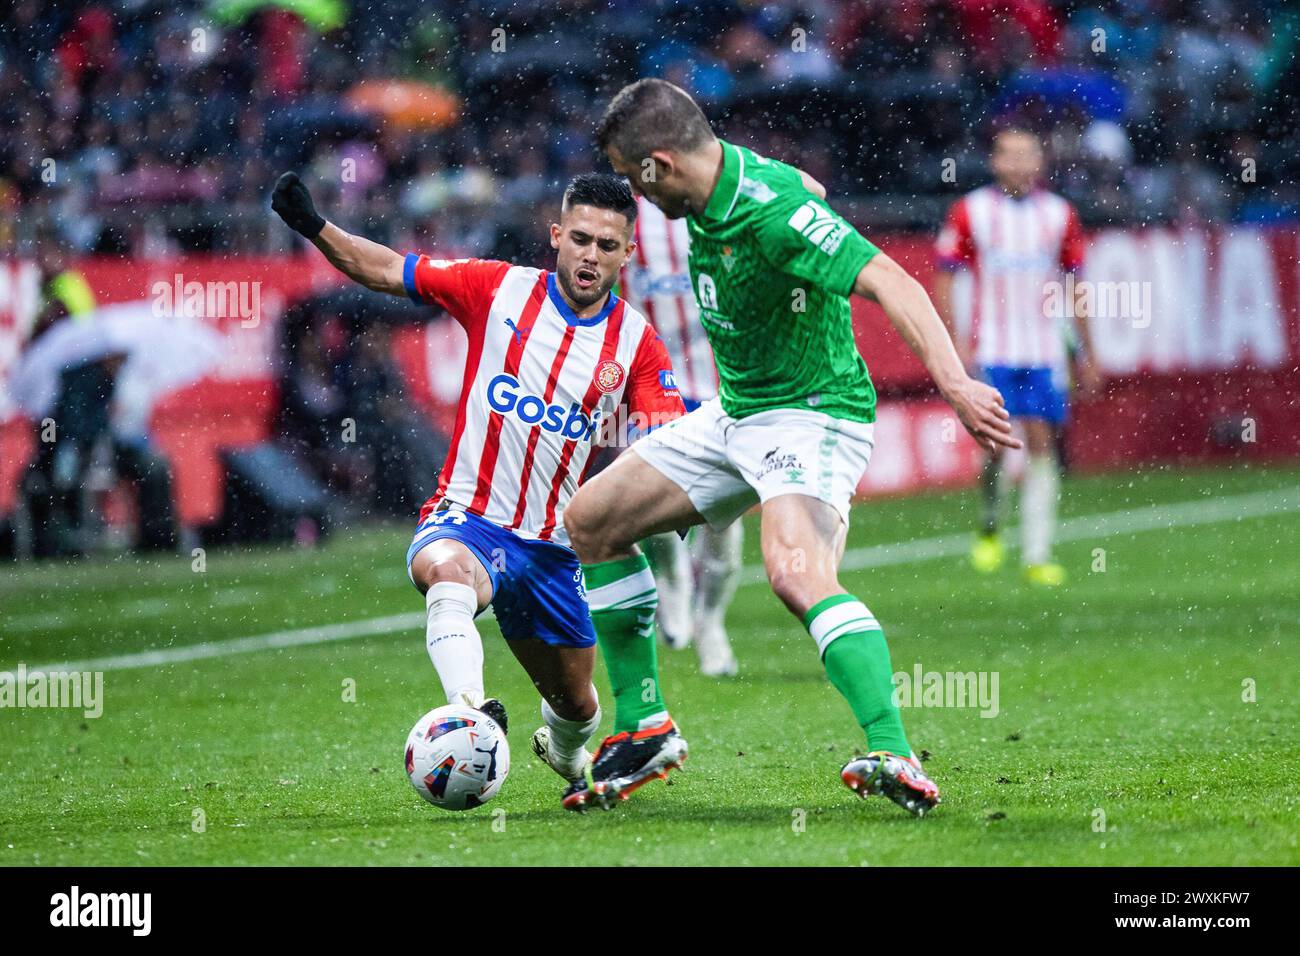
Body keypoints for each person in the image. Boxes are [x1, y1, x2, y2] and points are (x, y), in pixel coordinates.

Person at [560, 78, 1020, 815]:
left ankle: (892, 748)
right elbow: (806, 183)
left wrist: (956, 384)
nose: (631, 194)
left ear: (662, 164)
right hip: (737, 411)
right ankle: (644, 724)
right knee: (591, 523)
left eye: (630, 173)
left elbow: (890, 277)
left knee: (795, 572)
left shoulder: (773, 213)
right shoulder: (718, 185)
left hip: (812, 415)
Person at [271, 170, 685, 789]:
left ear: (628, 253)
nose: (590, 255)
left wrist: (667, 495)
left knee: (579, 709)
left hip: (554, 547)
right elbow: (389, 270)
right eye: (580, 239)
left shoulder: (638, 344)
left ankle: (571, 762)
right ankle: (468, 712)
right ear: (556, 236)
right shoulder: (497, 289)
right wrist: (313, 225)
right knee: (447, 571)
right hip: (469, 516)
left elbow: (664, 435)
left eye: (606, 245)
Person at [932, 127, 1101, 586]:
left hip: (1044, 350)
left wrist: (1086, 351)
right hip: (993, 348)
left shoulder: (1060, 214)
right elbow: (946, 277)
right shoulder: (971, 211)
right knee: (995, 446)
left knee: (1044, 443)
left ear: (1041, 163)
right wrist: (952, 341)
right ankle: (990, 522)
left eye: (1029, 155)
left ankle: (1037, 553)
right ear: (995, 161)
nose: (1021, 165)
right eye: (1012, 156)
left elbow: (1074, 284)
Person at [619, 194, 741, 677]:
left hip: (722, 385)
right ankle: (671, 579)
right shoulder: (620, 216)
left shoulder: (715, 210)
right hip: (651, 380)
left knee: (725, 520)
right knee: (654, 500)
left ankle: (711, 622)